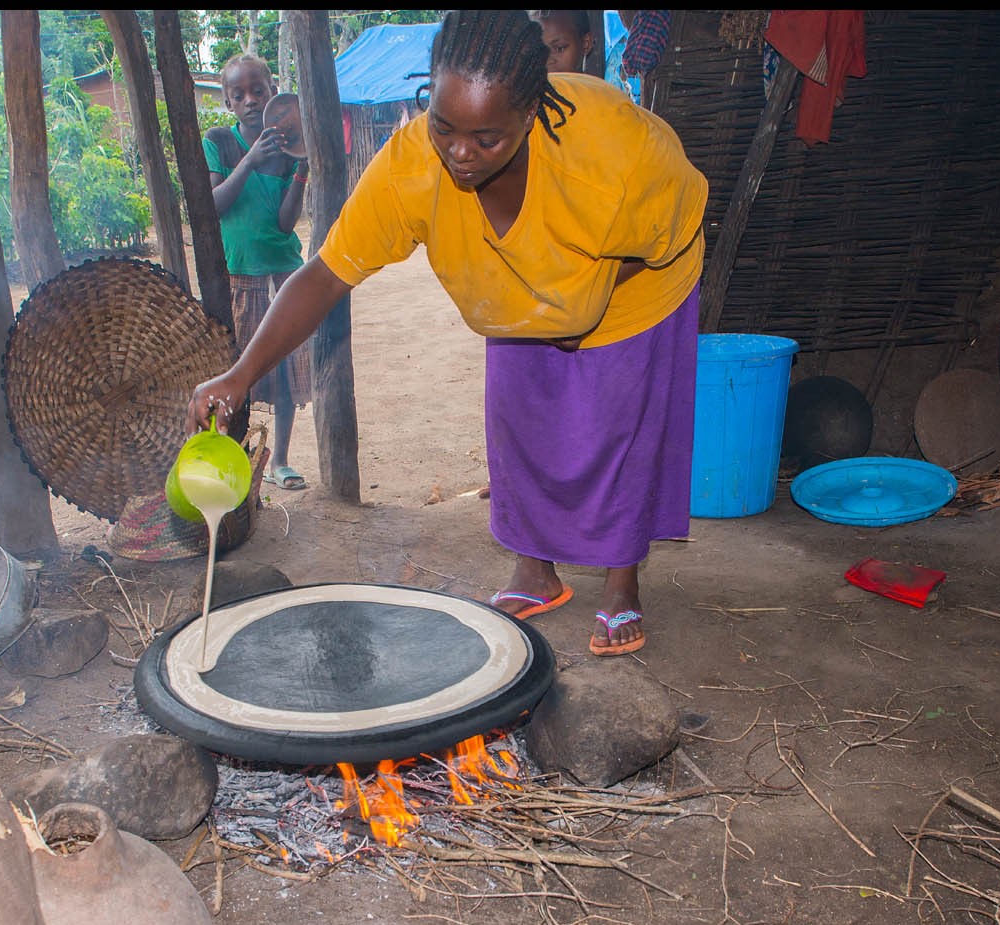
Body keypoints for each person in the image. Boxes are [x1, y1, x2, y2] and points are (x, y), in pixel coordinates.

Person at [189, 10, 707, 657]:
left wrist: (595, 296)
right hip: (518, 304)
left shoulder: (608, 147)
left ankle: (621, 583)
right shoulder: (414, 165)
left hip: (637, 291)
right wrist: (240, 372)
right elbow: (324, 274)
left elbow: (677, 224)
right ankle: (535, 571)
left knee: (615, 431)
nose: (460, 153)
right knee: (521, 424)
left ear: (531, 110)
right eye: (444, 126)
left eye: (486, 138)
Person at [204, 53, 313, 490]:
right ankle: (237, 460)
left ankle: (279, 461)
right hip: (242, 274)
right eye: (239, 95)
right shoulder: (221, 142)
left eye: (258, 91)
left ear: (272, 92)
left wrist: (302, 166)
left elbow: (287, 224)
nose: (250, 100)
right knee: (241, 372)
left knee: (285, 370)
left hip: (286, 272)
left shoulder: (289, 151)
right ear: (228, 103)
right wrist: (249, 161)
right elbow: (214, 205)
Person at [529, 10, 595, 75]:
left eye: (559, 48)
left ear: (586, 43)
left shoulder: (601, 86)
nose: (547, 61)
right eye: (538, 51)